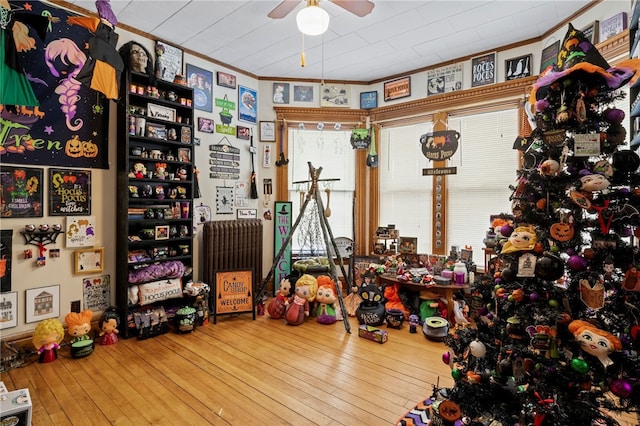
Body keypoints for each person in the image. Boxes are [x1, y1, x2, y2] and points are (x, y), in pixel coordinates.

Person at [0, 0, 59, 116]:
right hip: (4, 42)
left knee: (11, 73)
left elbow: (26, 17)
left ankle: (10, 102)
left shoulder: (11, 15)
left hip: (6, 44)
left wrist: (46, 20)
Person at [67, 0, 124, 100]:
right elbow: (87, 22)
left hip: (109, 59)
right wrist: (72, 20)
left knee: (98, 73)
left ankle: (112, 95)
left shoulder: (113, 34)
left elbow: (87, 22)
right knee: (99, 73)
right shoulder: (105, 29)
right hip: (106, 58)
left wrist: (72, 20)